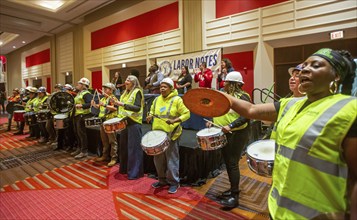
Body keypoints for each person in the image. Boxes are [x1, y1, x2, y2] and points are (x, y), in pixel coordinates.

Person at [218, 48, 356, 219]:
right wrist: (221, 97)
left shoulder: (350, 108)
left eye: (316, 65)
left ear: (336, 76)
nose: (305, 69)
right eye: (304, 65)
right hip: (278, 209)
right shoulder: (290, 104)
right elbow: (251, 109)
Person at [206, 71, 251, 208]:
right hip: (224, 132)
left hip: (237, 133)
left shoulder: (243, 96)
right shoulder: (225, 95)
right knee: (228, 162)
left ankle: (235, 196)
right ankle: (232, 189)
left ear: (233, 84)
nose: (223, 84)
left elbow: (246, 115)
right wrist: (212, 121)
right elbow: (219, 111)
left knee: (232, 163)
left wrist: (230, 125)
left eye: (226, 82)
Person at [146, 77, 190, 194]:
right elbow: (152, 110)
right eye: (161, 87)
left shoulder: (177, 100)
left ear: (171, 88)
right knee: (158, 160)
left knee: (172, 160)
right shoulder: (156, 100)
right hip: (158, 135)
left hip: (172, 134)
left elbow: (186, 114)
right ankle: (162, 180)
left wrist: (176, 120)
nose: (162, 89)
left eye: (165, 87)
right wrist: (150, 115)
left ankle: (174, 183)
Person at [114, 75, 144, 179]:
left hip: (134, 123)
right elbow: (121, 107)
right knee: (124, 148)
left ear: (133, 83)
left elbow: (137, 108)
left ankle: (135, 173)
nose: (126, 82)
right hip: (124, 123)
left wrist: (122, 104)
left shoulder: (137, 92)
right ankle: (124, 170)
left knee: (134, 149)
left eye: (128, 80)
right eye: (126, 79)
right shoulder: (124, 93)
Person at [91, 83, 118, 167]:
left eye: (106, 88)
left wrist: (105, 105)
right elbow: (99, 107)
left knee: (112, 141)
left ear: (111, 90)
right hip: (103, 121)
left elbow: (115, 108)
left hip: (110, 121)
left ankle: (114, 158)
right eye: (104, 88)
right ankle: (105, 156)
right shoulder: (103, 99)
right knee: (104, 140)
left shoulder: (112, 98)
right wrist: (94, 105)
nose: (104, 90)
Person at [72, 77, 93, 159]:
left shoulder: (86, 94)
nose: (77, 84)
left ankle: (84, 151)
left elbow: (90, 104)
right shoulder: (79, 93)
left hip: (82, 115)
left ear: (84, 85)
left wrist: (81, 105)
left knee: (81, 134)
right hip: (77, 115)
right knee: (77, 133)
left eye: (79, 83)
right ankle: (79, 148)